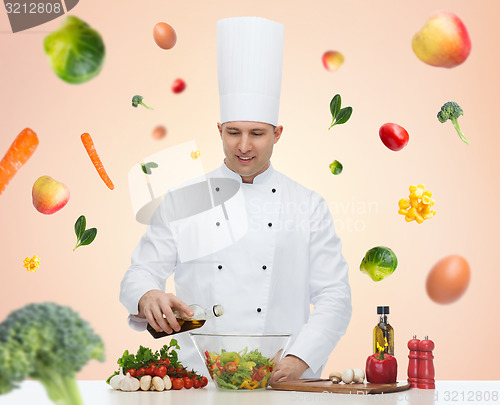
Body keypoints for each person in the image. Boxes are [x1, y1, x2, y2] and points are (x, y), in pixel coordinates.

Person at [120, 16, 351, 382]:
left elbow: (334, 296)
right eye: (233, 133)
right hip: (199, 379)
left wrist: (299, 360)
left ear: (277, 133)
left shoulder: (307, 205)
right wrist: (147, 293)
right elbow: (141, 271)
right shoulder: (184, 200)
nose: (244, 146)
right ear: (219, 130)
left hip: (283, 379)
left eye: (257, 133)